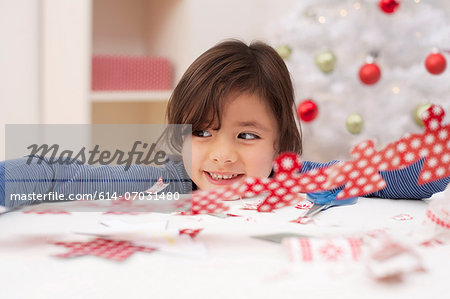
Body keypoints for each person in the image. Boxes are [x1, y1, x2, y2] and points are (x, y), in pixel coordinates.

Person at [0, 40, 448, 210]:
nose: (222, 154)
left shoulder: (299, 180)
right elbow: (65, 174)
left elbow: (389, 176)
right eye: (201, 132)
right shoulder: (161, 179)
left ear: (280, 143)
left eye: (247, 136)